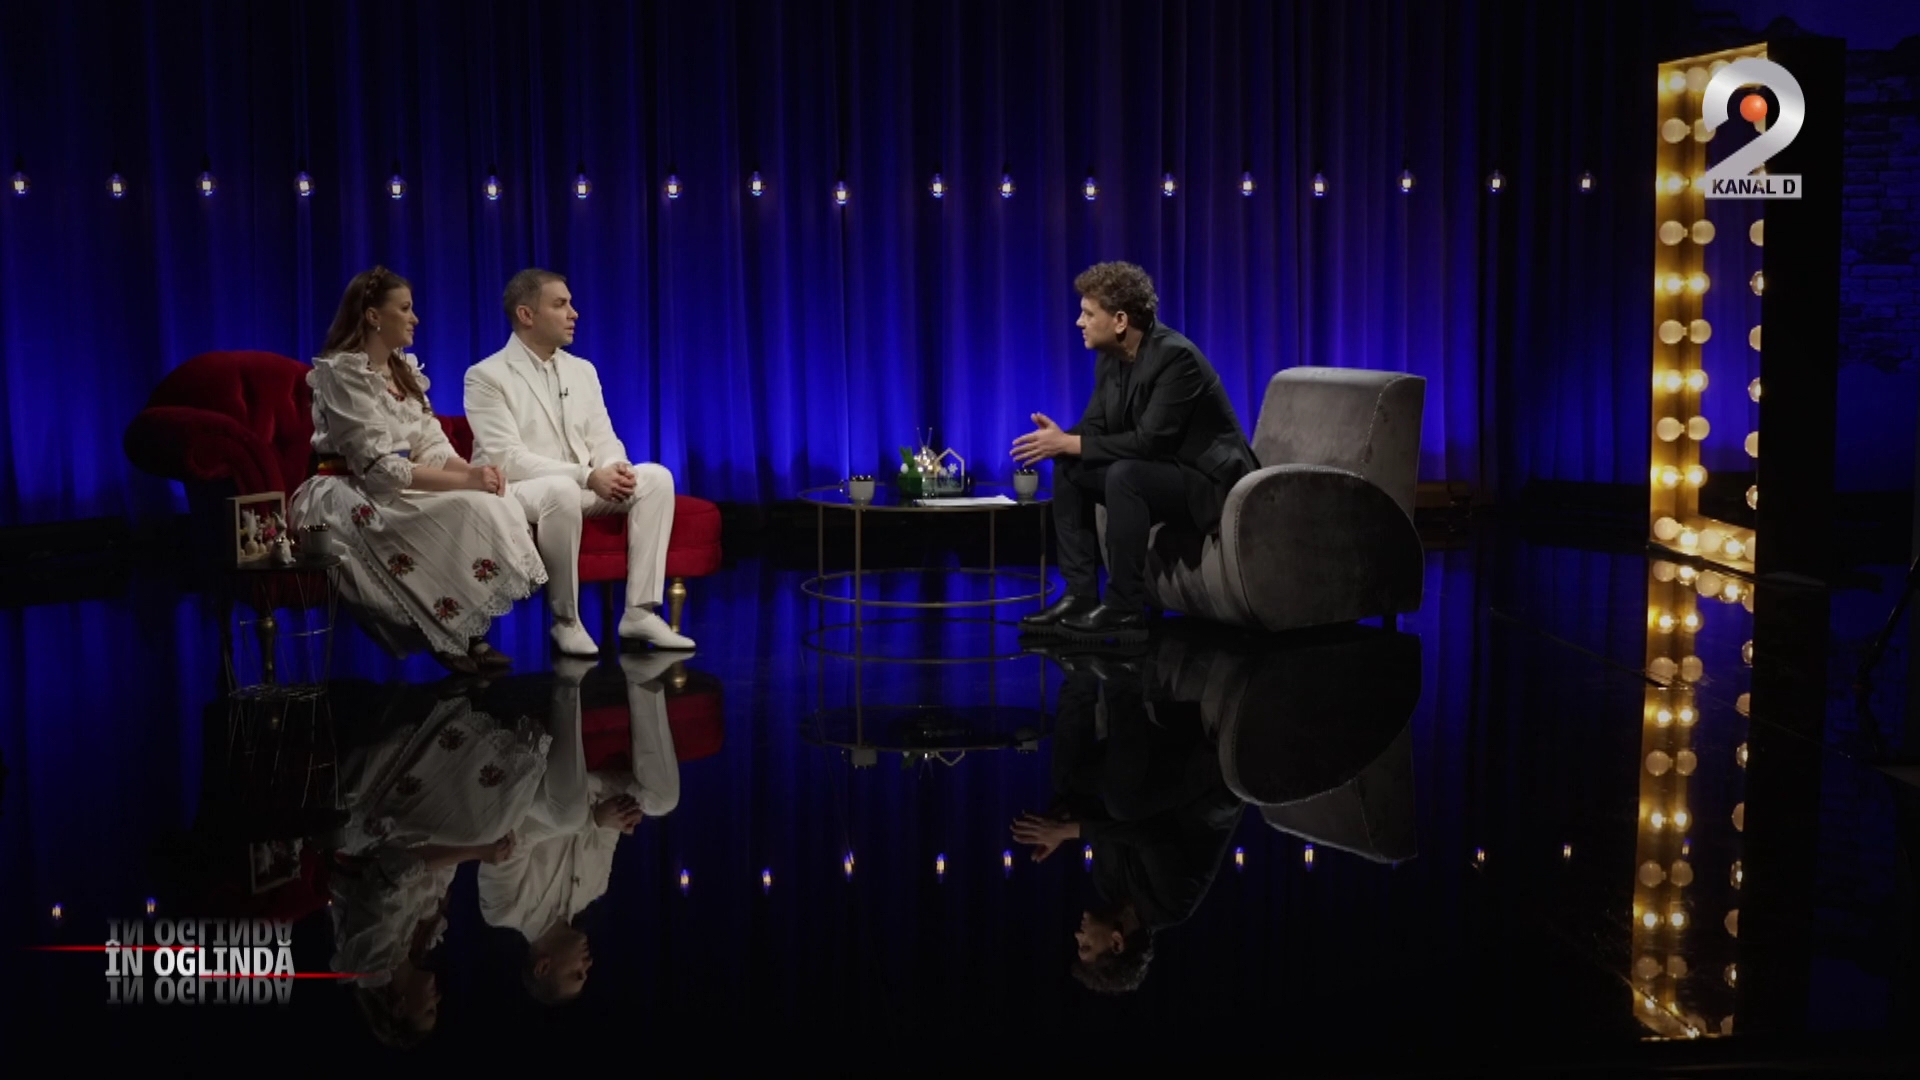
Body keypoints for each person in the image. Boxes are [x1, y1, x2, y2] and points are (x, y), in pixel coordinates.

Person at [289, 266, 547, 675]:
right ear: (374, 316)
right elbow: (376, 467)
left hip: (395, 483)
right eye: (405, 308)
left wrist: (475, 474)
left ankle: (467, 628)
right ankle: (444, 632)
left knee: (487, 503)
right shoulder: (344, 373)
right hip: (347, 490)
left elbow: (431, 445)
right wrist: (467, 480)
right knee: (459, 506)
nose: (415, 318)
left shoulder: (403, 371)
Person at [1012, 262, 1258, 642]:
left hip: (1208, 483)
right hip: (1163, 472)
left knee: (1125, 474)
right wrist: (1059, 440)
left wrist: (1071, 443)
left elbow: (1149, 442)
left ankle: (1125, 609)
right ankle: (1079, 595)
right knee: (1070, 466)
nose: (1079, 322)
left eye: (1088, 313)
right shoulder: (1111, 359)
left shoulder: (1176, 358)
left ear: (1120, 321)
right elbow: (1096, 428)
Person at [464, 269, 694, 657]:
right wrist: (589, 476)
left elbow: (602, 437)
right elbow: (508, 459)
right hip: (516, 489)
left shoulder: (582, 370)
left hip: (581, 485)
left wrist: (616, 467)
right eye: (561, 304)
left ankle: (639, 612)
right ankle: (566, 620)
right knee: (561, 490)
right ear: (526, 314)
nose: (574, 313)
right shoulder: (486, 376)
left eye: (570, 303)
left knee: (655, 477)